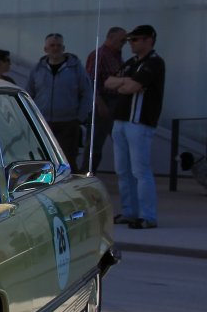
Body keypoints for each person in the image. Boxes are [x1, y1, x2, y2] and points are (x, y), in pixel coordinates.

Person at [105, 25, 166, 230]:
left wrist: (125, 85)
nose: (130, 43)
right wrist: (124, 81)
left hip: (139, 123)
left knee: (140, 170)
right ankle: (129, 211)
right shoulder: (131, 63)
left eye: (135, 39)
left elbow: (133, 87)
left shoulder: (154, 62)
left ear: (149, 40)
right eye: (129, 40)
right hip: (121, 121)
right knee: (122, 170)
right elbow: (108, 82)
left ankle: (147, 216)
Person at [28, 32, 91, 162]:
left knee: (67, 160)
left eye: (58, 45)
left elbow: (87, 93)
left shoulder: (76, 68)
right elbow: (29, 93)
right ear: (45, 49)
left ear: (63, 48)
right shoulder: (37, 69)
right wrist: (31, 117)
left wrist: (79, 118)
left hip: (68, 124)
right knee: (43, 159)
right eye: (52, 45)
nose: (55, 48)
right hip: (43, 123)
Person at [86, 26, 128, 171]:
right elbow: (91, 81)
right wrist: (99, 103)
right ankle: (88, 173)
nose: (124, 42)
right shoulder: (100, 55)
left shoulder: (117, 56)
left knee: (120, 140)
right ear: (110, 38)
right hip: (103, 101)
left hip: (116, 102)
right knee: (95, 143)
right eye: (122, 39)